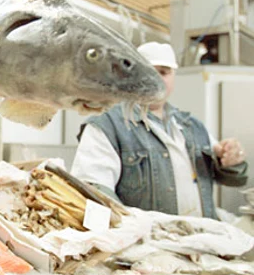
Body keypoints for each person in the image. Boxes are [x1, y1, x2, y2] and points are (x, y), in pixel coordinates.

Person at [71, 41, 248, 219]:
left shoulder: (193, 126)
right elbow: (92, 193)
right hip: (147, 236)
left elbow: (235, 180)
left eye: (163, 72)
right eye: (148, 71)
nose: (155, 79)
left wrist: (232, 161)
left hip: (200, 233)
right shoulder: (106, 126)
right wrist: (122, 230)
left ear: (173, 77)